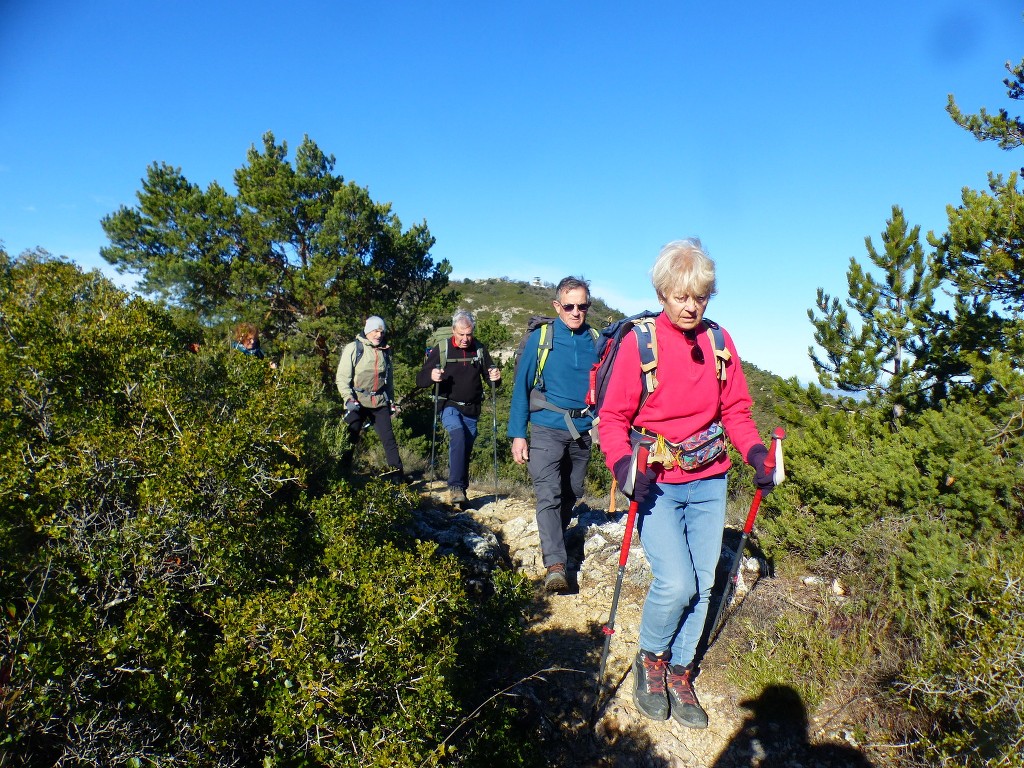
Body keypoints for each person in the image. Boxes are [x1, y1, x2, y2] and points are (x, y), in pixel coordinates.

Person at [597, 238, 775, 729]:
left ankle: (679, 670)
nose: (691, 306)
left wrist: (756, 453)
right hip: (655, 482)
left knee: (705, 581)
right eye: (681, 296)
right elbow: (611, 419)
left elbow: (736, 410)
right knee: (675, 582)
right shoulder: (641, 343)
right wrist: (621, 466)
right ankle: (649, 660)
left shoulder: (719, 342)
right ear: (663, 293)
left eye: (700, 297)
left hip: (710, 477)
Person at [508, 276, 600, 592]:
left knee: (572, 491)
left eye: (583, 306)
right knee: (548, 493)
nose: (577, 312)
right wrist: (518, 435)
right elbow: (521, 388)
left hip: (582, 430)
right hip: (546, 427)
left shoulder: (596, 340)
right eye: (570, 306)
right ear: (557, 306)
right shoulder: (541, 338)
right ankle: (556, 565)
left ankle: (555, 540)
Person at [416, 310, 501, 508]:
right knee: (458, 435)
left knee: (465, 448)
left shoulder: (479, 349)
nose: (465, 339)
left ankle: (461, 490)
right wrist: (432, 376)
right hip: (448, 405)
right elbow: (420, 380)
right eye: (461, 334)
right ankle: (455, 488)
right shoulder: (442, 348)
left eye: (469, 334)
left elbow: (492, 382)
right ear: (454, 330)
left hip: (472, 409)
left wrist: (496, 377)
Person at [336, 316, 403, 478]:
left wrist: (391, 402)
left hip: (379, 401)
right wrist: (348, 398)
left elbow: (389, 380)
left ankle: (397, 477)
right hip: (357, 401)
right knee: (348, 439)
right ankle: (341, 477)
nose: (378, 335)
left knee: (389, 441)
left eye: (381, 331)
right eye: (375, 331)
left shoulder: (385, 351)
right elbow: (342, 377)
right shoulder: (354, 348)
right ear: (367, 331)